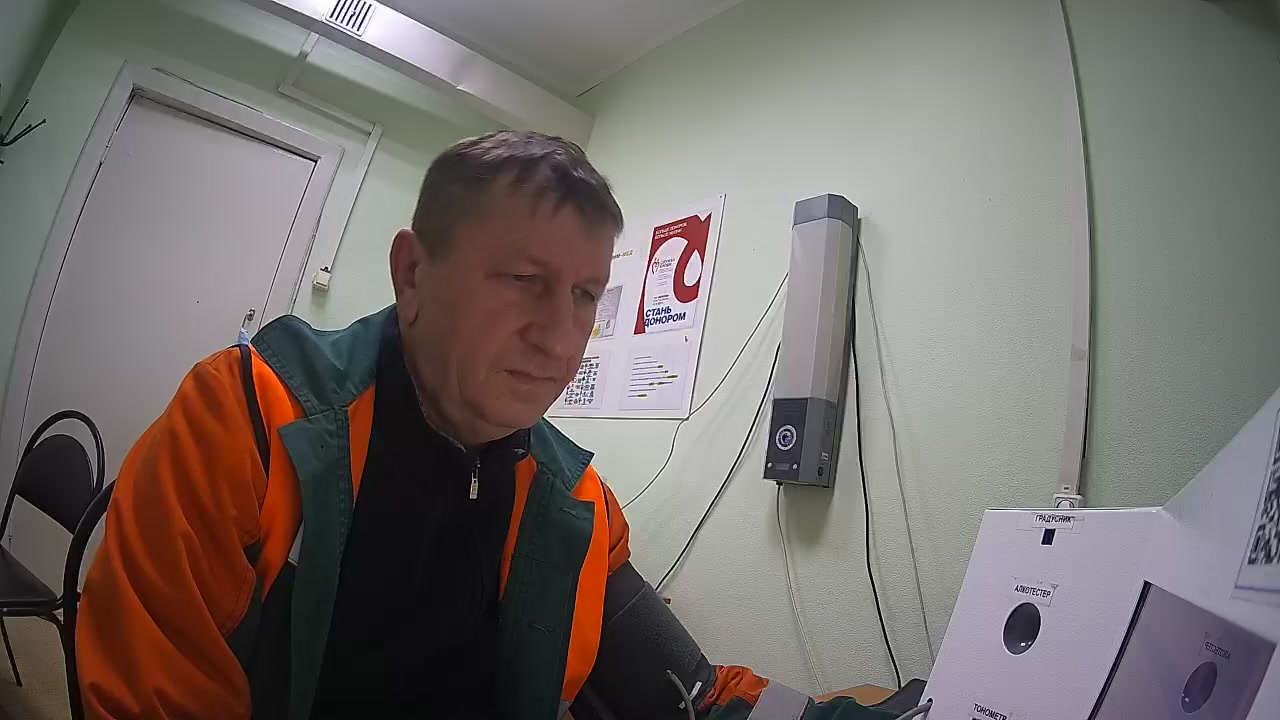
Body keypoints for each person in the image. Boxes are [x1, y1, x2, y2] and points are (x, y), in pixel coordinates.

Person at [76, 131, 893, 720]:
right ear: (412, 274)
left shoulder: (578, 504)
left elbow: (692, 697)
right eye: (523, 280)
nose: (560, 337)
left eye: (585, 295)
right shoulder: (246, 423)